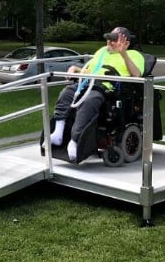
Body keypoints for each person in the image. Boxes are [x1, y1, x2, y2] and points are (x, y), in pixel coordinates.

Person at [48, 26, 145, 162]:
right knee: (66, 93)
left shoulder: (135, 55)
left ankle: (75, 141)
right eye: (108, 39)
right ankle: (58, 133)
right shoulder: (102, 52)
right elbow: (90, 69)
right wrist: (75, 69)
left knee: (89, 100)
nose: (109, 43)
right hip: (88, 82)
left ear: (126, 42)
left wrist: (123, 53)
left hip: (107, 88)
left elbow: (136, 75)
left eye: (113, 40)